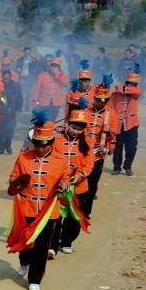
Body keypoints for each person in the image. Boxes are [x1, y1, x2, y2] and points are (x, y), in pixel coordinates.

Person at [6, 113, 70, 290]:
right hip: (26, 208)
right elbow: (13, 177)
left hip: (48, 211)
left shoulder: (60, 161)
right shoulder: (24, 157)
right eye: (37, 145)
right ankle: (23, 261)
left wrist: (64, 186)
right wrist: (16, 184)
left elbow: (65, 179)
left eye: (45, 145)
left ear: (51, 143)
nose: (40, 149)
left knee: (42, 247)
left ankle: (34, 279)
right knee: (26, 243)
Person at [51, 103, 95, 255]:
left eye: (79, 129)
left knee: (73, 216)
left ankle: (67, 242)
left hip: (78, 186)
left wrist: (79, 176)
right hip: (59, 185)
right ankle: (52, 245)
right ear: (68, 125)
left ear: (84, 130)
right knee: (55, 216)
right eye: (73, 128)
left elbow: (89, 166)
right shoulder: (56, 140)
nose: (76, 132)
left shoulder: (87, 144)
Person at [83, 82, 116, 217]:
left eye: (104, 101)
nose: (100, 103)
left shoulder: (111, 114)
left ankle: (86, 211)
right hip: (83, 151)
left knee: (92, 183)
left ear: (107, 101)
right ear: (94, 99)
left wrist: (109, 135)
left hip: (98, 154)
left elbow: (113, 135)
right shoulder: (85, 112)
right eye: (98, 100)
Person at [111, 68, 142, 176]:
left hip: (132, 124)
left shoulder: (137, 91)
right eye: (130, 84)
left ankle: (128, 166)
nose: (132, 86)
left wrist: (122, 88)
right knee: (117, 147)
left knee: (132, 147)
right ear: (127, 83)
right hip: (118, 125)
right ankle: (116, 167)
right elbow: (110, 109)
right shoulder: (115, 94)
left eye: (134, 84)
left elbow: (136, 91)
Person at [32, 57, 69, 123]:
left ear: (59, 67)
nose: (54, 67)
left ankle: (49, 132)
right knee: (43, 120)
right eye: (53, 65)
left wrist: (56, 73)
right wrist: (35, 101)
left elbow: (66, 82)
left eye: (56, 66)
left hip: (56, 102)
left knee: (52, 120)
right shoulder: (42, 75)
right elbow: (37, 89)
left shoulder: (62, 75)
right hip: (44, 102)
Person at [0, 68, 22, 154]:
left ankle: (8, 145)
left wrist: (19, 109)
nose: (5, 80)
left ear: (11, 77)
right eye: (4, 78)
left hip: (12, 111)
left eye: (7, 78)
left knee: (10, 129)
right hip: (0, 111)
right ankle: (0, 148)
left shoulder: (16, 85)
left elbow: (20, 98)